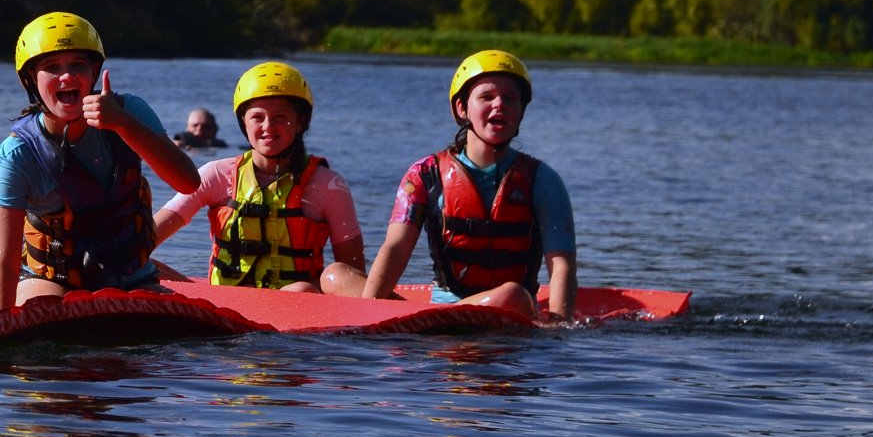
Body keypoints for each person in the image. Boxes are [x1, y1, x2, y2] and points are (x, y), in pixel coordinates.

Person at [0, 11, 201, 316]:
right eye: (51, 67)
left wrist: (122, 124)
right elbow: (4, 262)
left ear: (94, 72)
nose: (67, 76)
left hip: (132, 279)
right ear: (31, 81)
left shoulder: (131, 113)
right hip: (54, 282)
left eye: (78, 65)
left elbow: (188, 182)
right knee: (41, 316)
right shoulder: (16, 155)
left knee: (175, 327)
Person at [362, 50, 576, 322]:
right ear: (461, 108)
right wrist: (367, 317)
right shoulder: (424, 175)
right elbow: (395, 249)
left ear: (521, 110)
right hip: (441, 316)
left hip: (509, 312)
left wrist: (558, 326)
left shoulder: (543, 180)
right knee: (336, 276)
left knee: (512, 294)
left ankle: (424, 320)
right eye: (486, 97)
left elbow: (561, 266)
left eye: (510, 99)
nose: (500, 105)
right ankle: (430, 319)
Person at [154, 62, 368, 296]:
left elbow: (353, 273)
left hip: (301, 303)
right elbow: (146, 239)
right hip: (222, 304)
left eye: (280, 117)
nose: (268, 127)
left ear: (301, 121)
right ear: (243, 122)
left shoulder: (328, 185)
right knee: (135, 262)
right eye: (257, 117)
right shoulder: (215, 174)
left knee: (332, 276)